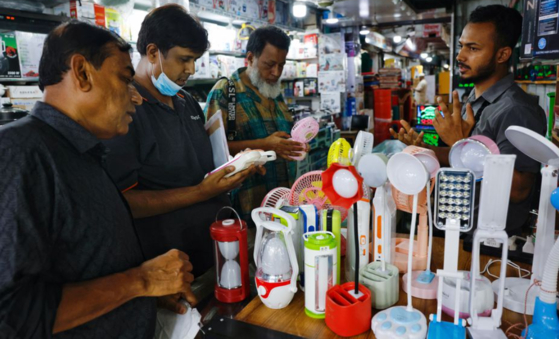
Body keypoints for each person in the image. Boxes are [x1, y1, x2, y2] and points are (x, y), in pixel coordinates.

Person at [0, 21, 196, 338]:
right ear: (82, 73)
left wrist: (144, 294)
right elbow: (10, 315)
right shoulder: (20, 153)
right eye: (124, 80)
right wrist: (141, 281)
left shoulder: (79, 152)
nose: (135, 98)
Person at [104, 4, 255, 278]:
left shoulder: (186, 102)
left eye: (196, 59)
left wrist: (237, 166)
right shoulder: (126, 110)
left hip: (214, 250)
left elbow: (204, 167)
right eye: (184, 59)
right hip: (168, 265)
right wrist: (201, 192)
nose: (192, 69)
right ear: (153, 53)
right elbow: (123, 203)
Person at [390, 5, 546, 234]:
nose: (460, 56)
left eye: (473, 48)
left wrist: (459, 143)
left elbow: (519, 190)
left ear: (502, 54)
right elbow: (463, 155)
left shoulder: (515, 110)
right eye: (462, 46)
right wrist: (425, 149)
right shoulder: (473, 99)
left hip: (488, 243)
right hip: (457, 227)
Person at [204, 26, 306, 224]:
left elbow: (282, 138)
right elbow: (211, 151)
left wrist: (296, 144)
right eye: (269, 65)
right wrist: (266, 145)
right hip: (246, 210)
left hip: (283, 205)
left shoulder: (273, 91)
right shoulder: (227, 92)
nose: (276, 72)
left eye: (281, 65)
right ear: (250, 58)